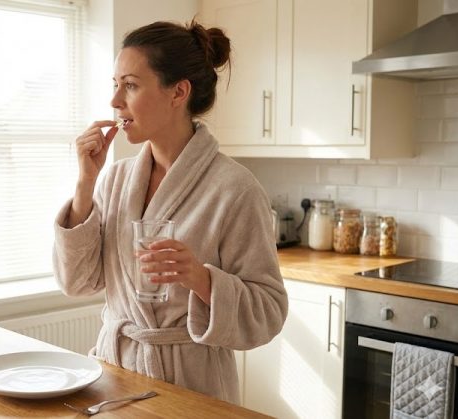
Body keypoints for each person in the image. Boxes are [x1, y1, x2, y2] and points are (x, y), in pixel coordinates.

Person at [52, 19, 288, 404]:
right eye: (116, 85)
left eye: (130, 85)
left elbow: (269, 312)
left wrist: (201, 279)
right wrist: (85, 185)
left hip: (192, 387)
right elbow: (76, 283)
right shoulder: (114, 178)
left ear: (178, 92)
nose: (115, 101)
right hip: (116, 375)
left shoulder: (234, 189)